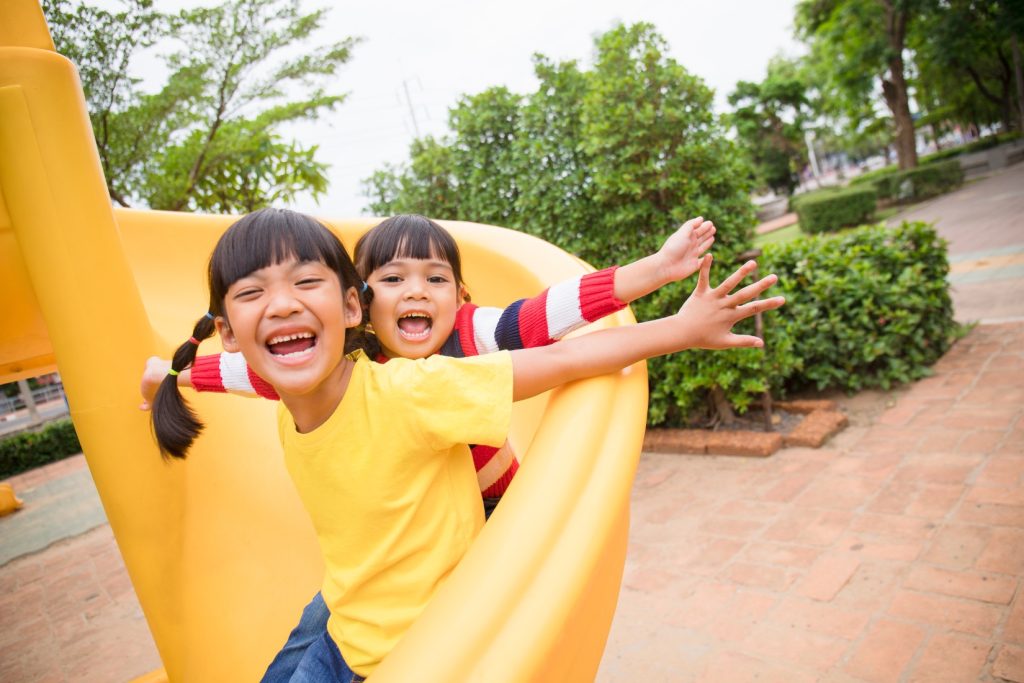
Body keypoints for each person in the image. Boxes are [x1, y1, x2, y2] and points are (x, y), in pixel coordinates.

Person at [149, 207, 783, 681]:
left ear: (349, 306)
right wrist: (172, 376)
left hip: (448, 575)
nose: (416, 291)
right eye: (254, 293)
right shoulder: (302, 379)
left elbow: (554, 340)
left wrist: (673, 313)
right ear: (366, 299)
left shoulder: (440, 367)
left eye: (435, 278)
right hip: (355, 604)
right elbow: (242, 372)